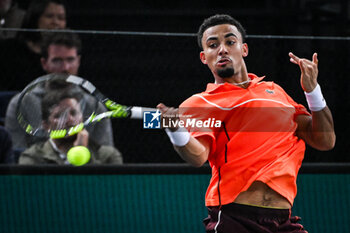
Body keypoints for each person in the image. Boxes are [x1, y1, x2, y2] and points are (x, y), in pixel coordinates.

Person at [157, 14, 335, 233]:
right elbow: (198, 156)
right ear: (204, 57)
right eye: (213, 45)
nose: (222, 49)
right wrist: (175, 130)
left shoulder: (275, 92)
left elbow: (325, 140)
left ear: (244, 49)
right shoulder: (199, 103)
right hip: (236, 218)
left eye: (230, 42)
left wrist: (313, 91)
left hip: (282, 220)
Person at [5, 32, 115, 153]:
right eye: (57, 60)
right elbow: (16, 155)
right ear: (44, 63)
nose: (65, 67)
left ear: (78, 61)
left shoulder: (95, 107)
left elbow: (106, 157)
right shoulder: (20, 104)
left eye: (70, 59)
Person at [19, 86, 123, 165]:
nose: (69, 120)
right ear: (46, 125)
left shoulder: (108, 156)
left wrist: (82, 153)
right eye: (59, 116)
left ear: (82, 119)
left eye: (73, 113)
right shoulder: (31, 158)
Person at [0, 0, 67, 91]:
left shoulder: (68, 53)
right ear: (35, 18)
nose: (55, 22)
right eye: (49, 16)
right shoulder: (10, 49)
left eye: (61, 18)